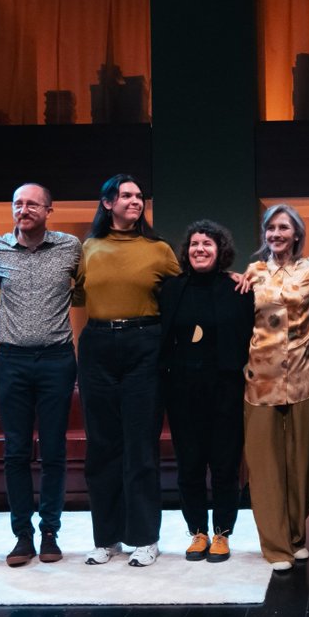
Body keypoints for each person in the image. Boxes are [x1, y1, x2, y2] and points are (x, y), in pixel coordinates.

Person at [75, 174, 179, 567]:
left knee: (140, 446)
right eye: (127, 195)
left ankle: (144, 537)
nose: (136, 201)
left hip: (144, 344)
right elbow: (76, 293)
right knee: (101, 447)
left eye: (139, 196)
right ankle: (107, 538)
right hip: (98, 344)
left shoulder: (158, 250)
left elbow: (184, 292)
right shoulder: (87, 249)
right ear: (107, 203)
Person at [0, 183, 81, 567]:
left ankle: (50, 532)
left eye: (32, 204)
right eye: (18, 203)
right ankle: (22, 535)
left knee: (54, 451)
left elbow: (88, 287)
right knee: (16, 451)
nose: (24, 209)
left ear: (49, 210)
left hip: (56, 359)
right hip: (13, 361)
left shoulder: (70, 247)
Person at [159, 220, 254, 563]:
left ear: (220, 250)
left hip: (225, 387)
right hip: (182, 388)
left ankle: (223, 533)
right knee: (190, 465)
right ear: (186, 251)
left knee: (226, 465)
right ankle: (197, 532)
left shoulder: (238, 288)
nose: (200, 248)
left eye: (208, 244)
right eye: (195, 243)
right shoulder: (171, 289)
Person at [241, 205, 309, 572]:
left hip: (307, 376)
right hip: (260, 379)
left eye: (284, 228)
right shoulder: (252, 273)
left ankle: (296, 536)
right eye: (271, 228)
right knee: (265, 464)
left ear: (296, 234)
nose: (276, 234)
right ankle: (276, 546)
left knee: (304, 464)